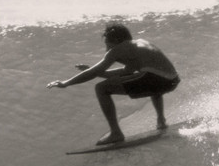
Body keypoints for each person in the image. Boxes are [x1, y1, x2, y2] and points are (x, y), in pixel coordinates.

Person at [47, 23, 180, 145]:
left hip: (155, 79)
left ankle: (116, 133)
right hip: (171, 80)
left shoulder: (118, 49)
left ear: (116, 41)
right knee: (141, 77)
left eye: (107, 44)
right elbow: (125, 72)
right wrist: (97, 72)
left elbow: (95, 71)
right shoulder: (140, 44)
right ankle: (161, 121)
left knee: (101, 88)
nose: (107, 49)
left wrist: (67, 83)